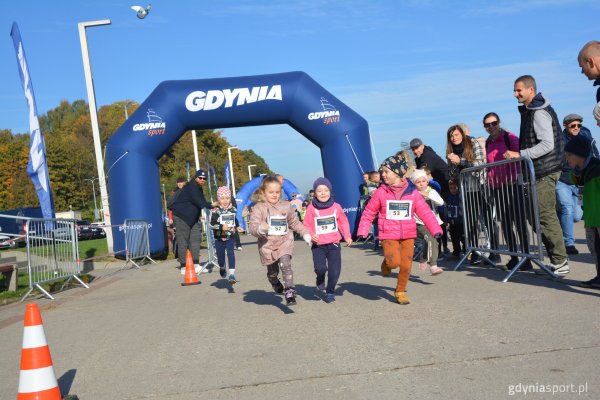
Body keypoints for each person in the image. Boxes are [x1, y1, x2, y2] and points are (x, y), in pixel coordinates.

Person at [357, 154, 442, 305]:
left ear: (397, 172)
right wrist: (363, 229)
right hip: (388, 234)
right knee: (393, 262)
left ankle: (400, 291)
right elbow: (369, 211)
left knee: (406, 265)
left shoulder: (412, 192)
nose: (382, 175)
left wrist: (435, 229)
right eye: (381, 172)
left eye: (386, 171)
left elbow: (425, 212)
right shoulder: (381, 192)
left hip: (408, 235)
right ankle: (386, 264)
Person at [507, 75, 569, 275]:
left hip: (546, 170)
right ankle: (556, 260)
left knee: (544, 215)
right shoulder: (530, 111)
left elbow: (547, 144)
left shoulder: (538, 111)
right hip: (538, 171)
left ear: (530, 90)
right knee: (534, 216)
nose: (515, 94)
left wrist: (521, 154)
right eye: (515, 90)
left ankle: (561, 261)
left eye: (519, 90)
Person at [248, 176, 312, 305]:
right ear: (263, 192)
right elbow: (252, 227)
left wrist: (305, 233)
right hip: (268, 246)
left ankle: (289, 291)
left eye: (277, 192)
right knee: (273, 272)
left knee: (286, 265)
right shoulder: (259, 208)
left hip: (284, 242)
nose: (275, 195)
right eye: (271, 192)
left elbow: (294, 222)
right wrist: (260, 228)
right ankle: (274, 281)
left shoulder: (286, 206)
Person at [483, 112, 531, 270]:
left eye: (493, 123)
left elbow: (522, 155)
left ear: (499, 122)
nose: (491, 127)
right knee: (505, 223)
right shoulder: (488, 142)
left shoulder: (509, 137)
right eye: (487, 125)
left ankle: (526, 257)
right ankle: (513, 257)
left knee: (519, 222)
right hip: (497, 187)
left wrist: (514, 157)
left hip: (512, 184)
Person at [303, 177, 353, 303]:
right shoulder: (311, 208)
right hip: (318, 245)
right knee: (320, 269)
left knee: (334, 271)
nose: (323, 193)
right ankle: (320, 279)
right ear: (314, 193)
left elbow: (343, 222)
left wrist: (347, 236)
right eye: (319, 191)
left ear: (330, 191)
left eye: (326, 190)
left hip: (334, 244)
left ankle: (330, 291)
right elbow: (306, 224)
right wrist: (312, 234)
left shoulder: (336, 207)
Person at [557, 113, 599, 255]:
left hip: (581, 183)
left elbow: (595, 154)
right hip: (564, 180)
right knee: (567, 209)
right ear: (565, 125)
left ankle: (560, 214)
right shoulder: (560, 139)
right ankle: (569, 244)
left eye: (579, 125)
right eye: (573, 125)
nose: (576, 128)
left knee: (577, 214)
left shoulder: (586, 135)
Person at [446, 124, 488, 264]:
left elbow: (480, 163)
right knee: (470, 223)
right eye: (451, 136)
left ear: (462, 134)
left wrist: (461, 161)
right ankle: (474, 253)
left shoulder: (473, 142)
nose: (454, 138)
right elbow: (452, 174)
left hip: (480, 186)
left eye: (456, 135)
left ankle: (493, 252)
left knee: (486, 221)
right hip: (465, 190)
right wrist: (453, 163)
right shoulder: (452, 150)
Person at [564, 135, 600, 289]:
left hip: (598, 216)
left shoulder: (596, 169)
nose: (567, 159)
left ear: (580, 154)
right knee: (596, 249)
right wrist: (576, 173)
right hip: (591, 218)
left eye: (569, 155)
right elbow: (577, 187)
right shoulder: (579, 172)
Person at [168, 170, 213, 274]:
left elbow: (199, 203)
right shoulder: (192, 187)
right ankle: (183, 266)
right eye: (200, 178)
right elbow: (201, 202)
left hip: (193, 218)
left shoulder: (198, 188)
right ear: (195, 178)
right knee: (183, 241)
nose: (202, 180)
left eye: (204, 178)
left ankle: (196, 264)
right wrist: (213, 205)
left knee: (195, 239)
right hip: (181, 216)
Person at [409, 169, 444, 276]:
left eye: (423, 181)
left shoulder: (431, 191)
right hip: (419, 223)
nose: (421, 184)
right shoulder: (413, 193)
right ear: (414, 184)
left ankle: (423, 257)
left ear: (427, 182)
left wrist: (428, 195)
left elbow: (441, 202)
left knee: (428, 241)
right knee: (431, 239)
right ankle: (433, 266)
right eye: (418, 182)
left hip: (432, 222)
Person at [209, 186, 244, 283]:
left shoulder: (232, 208)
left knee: (230, 253)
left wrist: (237, 226)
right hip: (219, 237)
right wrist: (221, 226)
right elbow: (211, 224)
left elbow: (234, 219)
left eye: (227, 198)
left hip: (230, 235)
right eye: (222, 198)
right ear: (218, 199)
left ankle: (232, 274)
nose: (225, 201)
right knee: (220, 257)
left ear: (230, 198)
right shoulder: (215, 210)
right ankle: (222, 266)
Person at [445, 179, 465, 260]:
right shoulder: (449, 197)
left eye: (455, 188)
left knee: (464, 238)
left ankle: (467, 251)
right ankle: (456, 253)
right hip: (452, 221)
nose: (453, 190)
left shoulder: (461, 196)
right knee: (454, 238)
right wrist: (447, 219)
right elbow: (447, 208)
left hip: (461, 221)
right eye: (451, 188)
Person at [167, 177, 186, 256]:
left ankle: (188, 251)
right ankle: (178, 253)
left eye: (181, 182)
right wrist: (170, 218)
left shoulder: (188, 191)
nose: (180, 184)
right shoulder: (174, 193)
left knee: (186, 234)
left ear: (184, 183)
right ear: (177, 184)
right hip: (176, 217)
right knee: (179, 235)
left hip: (186, 217)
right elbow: (171, 207)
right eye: (179, 182)